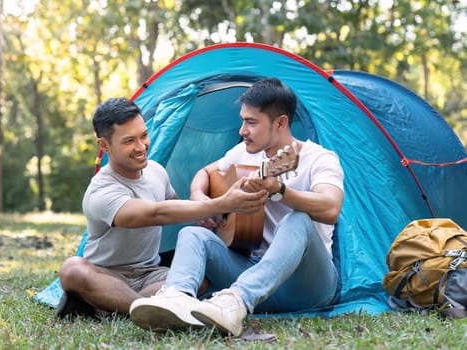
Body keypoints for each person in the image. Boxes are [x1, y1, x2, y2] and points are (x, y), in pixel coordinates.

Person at [129, 77, 345, 336]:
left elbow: (331, 207)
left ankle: (235, 302)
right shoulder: (245, 151)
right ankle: (176, 299)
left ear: (281, 123)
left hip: (307, 286)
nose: (242, 130)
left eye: (251, 122)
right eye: (243, 120)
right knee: (192, 234)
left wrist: (280, 190)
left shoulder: (318, 159)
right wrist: (201, 198)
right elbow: (205, 173)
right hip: (253, 273)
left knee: (298, 218)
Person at [56, 97, 268, 321]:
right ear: (104, 145)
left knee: (201, 278)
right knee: (72, 270)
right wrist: (222, 203)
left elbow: (177, 207)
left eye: (144, 136)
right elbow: (156, 213)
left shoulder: (157, 172)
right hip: (107, 273)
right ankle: (144, 307)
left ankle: (112, 305)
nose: (141, 147)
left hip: (151, 274)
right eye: (129, 141)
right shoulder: (101, 190)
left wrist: (208, 215)